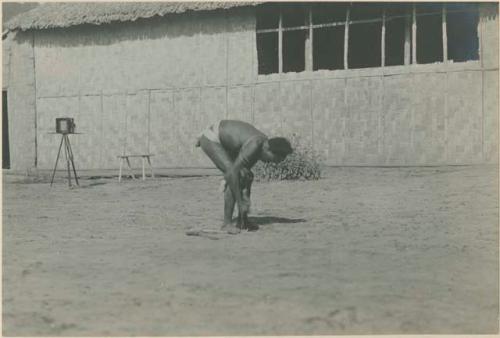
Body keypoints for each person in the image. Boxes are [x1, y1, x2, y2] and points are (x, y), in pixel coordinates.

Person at [196, 120, 293, 234]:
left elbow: (245, 175)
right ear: (268, 150)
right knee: (235, 176)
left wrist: (245, 196)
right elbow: (232, 174)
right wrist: (240, 201)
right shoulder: (255, 145)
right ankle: (226, 224)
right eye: (272, 160)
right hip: (211, 138)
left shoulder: (262, 145)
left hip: (227, 142)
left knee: (246, 176)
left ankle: (243, 221)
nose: (269, 163)